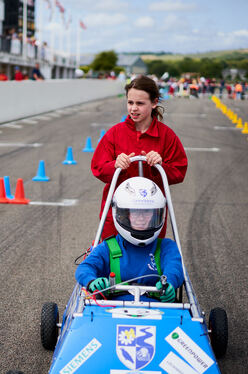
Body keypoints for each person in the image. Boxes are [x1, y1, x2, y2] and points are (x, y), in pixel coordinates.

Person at [92, 76, 187, 241]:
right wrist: (115, 165)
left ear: (154, 102)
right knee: (114, 261)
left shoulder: (166, 135)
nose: (133, 109)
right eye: (130, 103)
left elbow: (179, 171)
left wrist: (159, 166)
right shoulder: (115, 133)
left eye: (140, 104)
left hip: (151, 216)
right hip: (116, 212)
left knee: (149, 261)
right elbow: (98, 167)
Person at [76, 177, 184, 302]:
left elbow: (175, 268)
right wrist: (92, 281)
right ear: (124, 215)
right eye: (136, 212)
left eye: (147, 212)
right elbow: (84, 268)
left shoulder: (166, 247)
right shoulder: (109, 247)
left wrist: (169, 283)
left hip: (158, 309)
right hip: (112, 311)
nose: (141, 218)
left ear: (157, 214)